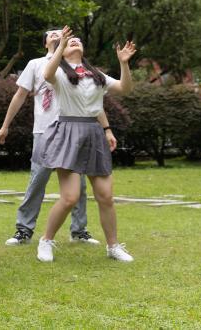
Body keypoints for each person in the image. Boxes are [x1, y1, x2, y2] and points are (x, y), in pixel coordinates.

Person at [35, 27, 137, 264]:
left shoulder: (96, 75)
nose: (75, 42)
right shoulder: (59, 72)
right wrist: (60, 47)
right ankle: (46, 240)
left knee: (106, 196)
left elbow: (125, 89)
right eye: (71, 41)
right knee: (70, 197)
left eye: (78, 41)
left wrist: (123, 63)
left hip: (93, 132)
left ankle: (113, 246)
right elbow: (47, 75)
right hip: (68, 132)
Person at [0, 29, 98, 247]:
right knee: (37, 180)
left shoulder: (76, 66)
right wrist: (5, 125)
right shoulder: (36, 64)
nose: (56, 34)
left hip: (72, 130)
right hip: (45, 130)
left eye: (59, 32)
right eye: (51, 34)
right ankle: (23, 230)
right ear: (45, 43)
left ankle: (79, 230)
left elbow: (91, 99)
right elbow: (20, 95)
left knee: (78, 183)